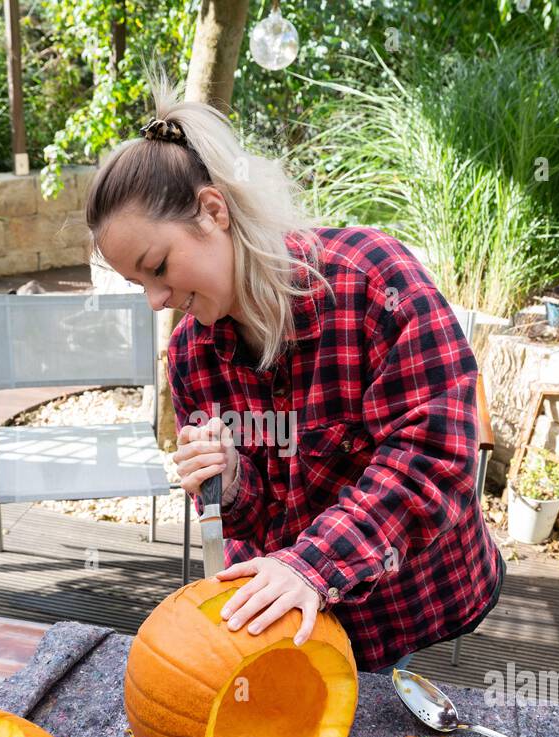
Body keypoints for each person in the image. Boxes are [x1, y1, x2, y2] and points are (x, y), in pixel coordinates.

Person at [85, 68, 504, 672]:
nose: (156, 300)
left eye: (158, 267)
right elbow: (260, 516)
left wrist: (314, 565)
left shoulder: (372, 281)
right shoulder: (190, 358)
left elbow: (433, 452)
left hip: (414, 603)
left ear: (212, 211)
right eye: (138, 284)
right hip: (296, 627)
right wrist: (229, 482)